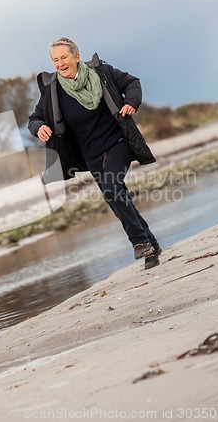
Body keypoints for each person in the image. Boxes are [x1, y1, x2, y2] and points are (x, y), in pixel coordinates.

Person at [28, 37, 161, 269]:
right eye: (55, 60)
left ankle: (140, 242)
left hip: (118, 142)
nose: (60, 63)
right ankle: (151, 245)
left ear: (76, 57)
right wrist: (39, 127)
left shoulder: (103, 73)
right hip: (90, 155)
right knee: (117, 196)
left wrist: (131, 102)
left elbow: (132, 83)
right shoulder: (53, 92)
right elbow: (35, 118)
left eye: (64, 57)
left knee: (112, 190)